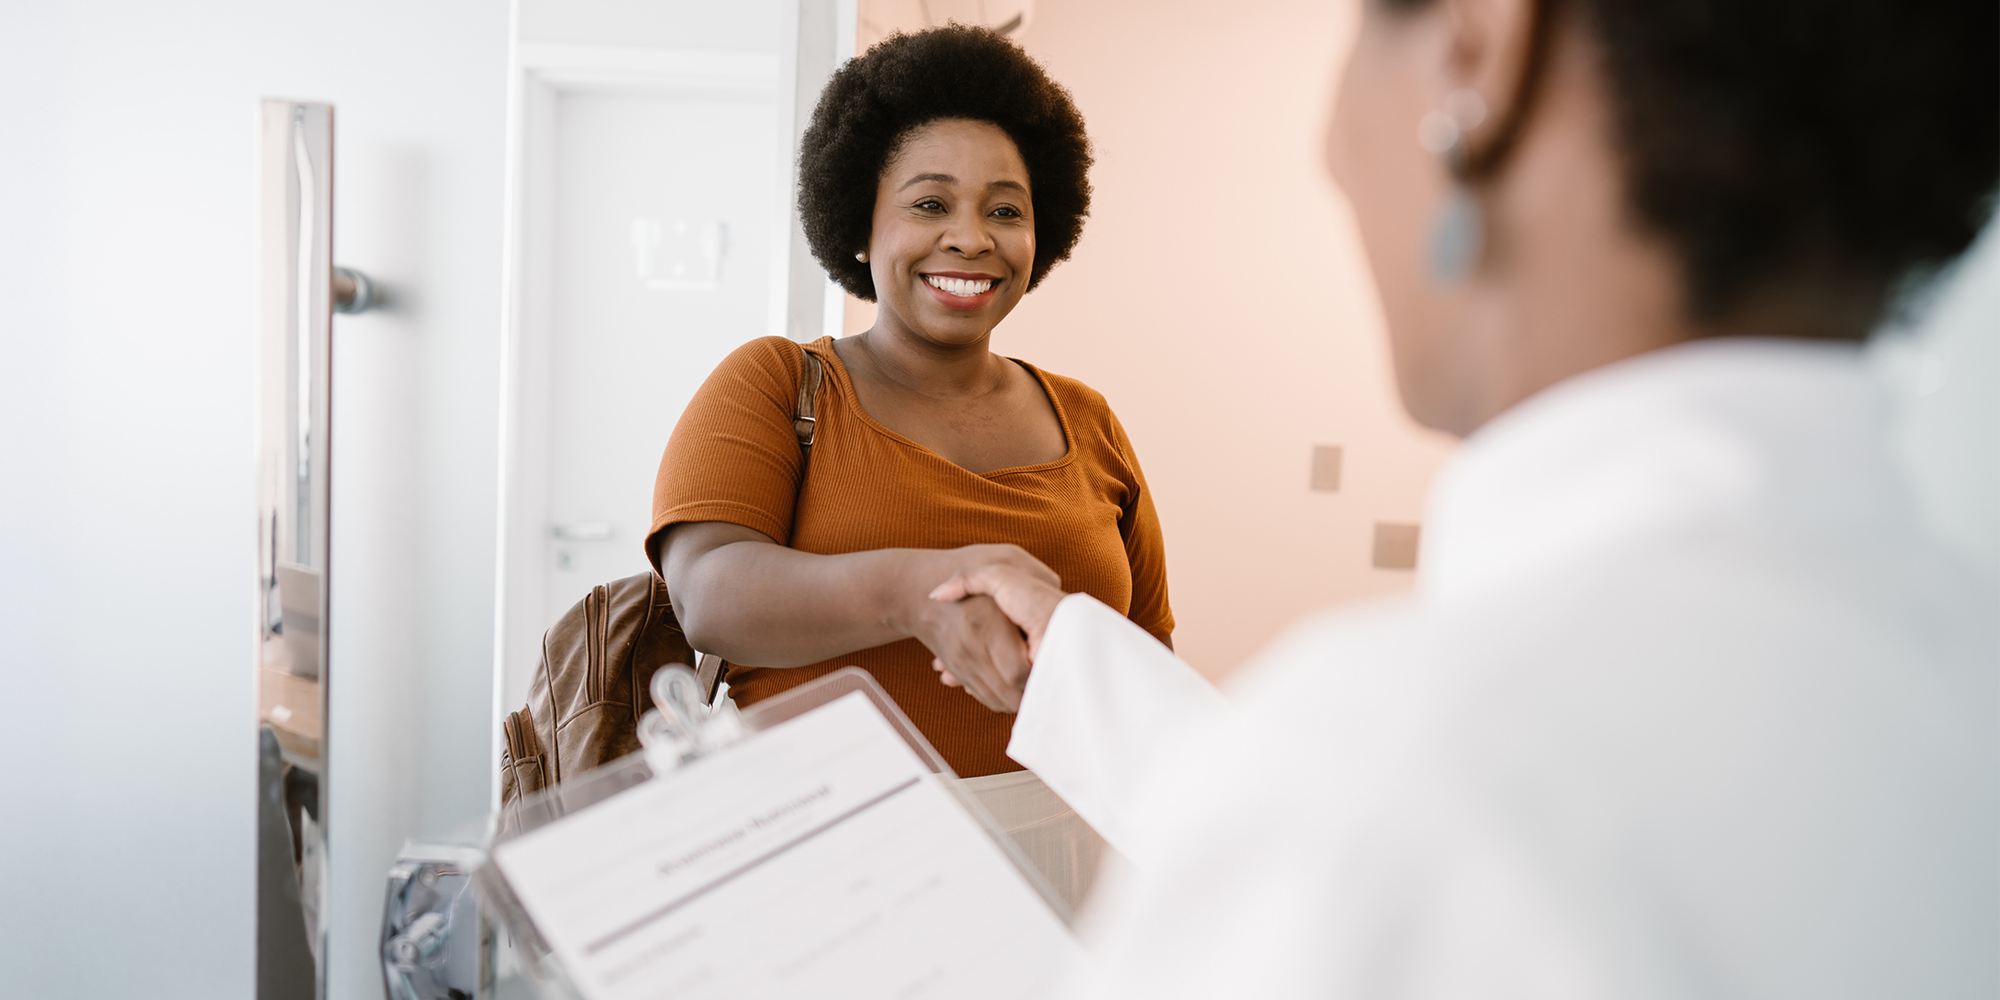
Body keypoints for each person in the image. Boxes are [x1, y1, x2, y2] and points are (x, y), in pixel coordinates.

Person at [927, 0, 1999, 995]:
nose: (1334, 151)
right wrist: (1075, 663)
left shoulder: (1382, 800)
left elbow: (1378, 826)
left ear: (1477, 50)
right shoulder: (1950, 659)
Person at [647, 26, 1171, 909]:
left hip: (1065, 869)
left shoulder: (1089, 421)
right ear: (861, 223)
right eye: (930, 205)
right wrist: (920, 594)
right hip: (824, 862)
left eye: (1006, 210)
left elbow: (1144, 652)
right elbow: (710, 596)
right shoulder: (778, 384)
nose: (971, 238)